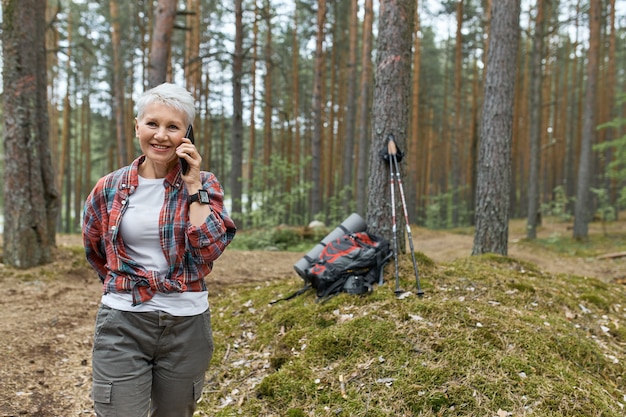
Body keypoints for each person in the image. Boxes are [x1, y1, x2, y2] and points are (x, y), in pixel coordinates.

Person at [82, 82, 236, 417]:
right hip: (123, 321)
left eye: (173, 126)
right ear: (136, 125)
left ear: (187, 134)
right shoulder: (108, 187)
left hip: (187, 326)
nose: (161, 135)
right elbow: (94, 248)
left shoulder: (205, 184)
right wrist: (123, 286)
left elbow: (210, 249)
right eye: (152, 123)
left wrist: (193, 185)